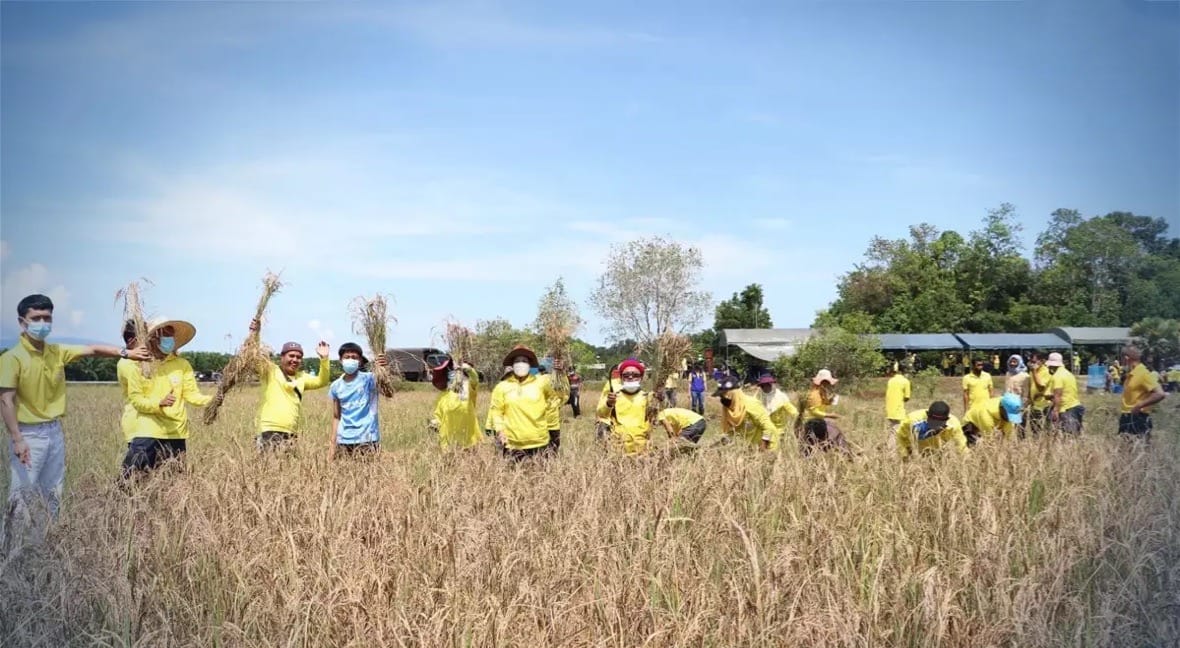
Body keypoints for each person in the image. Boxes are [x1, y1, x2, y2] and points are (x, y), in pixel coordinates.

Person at [1, 294, 150, 550]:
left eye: (47, 318)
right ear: (22, 322)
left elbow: (93, 349)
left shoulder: (57, 352)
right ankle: (8, 552)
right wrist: (17, 438)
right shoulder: (11, 358)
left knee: (52, 493)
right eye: (36, 318)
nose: (42, 323)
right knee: (21, 495)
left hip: (54, 431)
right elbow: (6, 400)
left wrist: (127, 353)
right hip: (28, 435)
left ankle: (41, 548)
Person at [121, 318, 211, 478]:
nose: (169, 339)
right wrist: (159, 403)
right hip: (148, 431)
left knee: (173, 484)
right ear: (153, 338)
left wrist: (214, 400)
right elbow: (137, 400)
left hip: (176, 432)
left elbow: (192, 395)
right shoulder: (139, 365)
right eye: (165, 335)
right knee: (131, 481)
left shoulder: (182, 365)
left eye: (171, 335)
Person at [245, 318, 331, 451]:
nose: (295, 360)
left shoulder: (302, 377)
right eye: (291, 356)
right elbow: (253, 356)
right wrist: (255, 333)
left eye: (298, 357)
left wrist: (324, 359)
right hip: (268, 430)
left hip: (291, 433)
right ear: (282, 357)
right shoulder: (269, 371)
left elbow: (322, 381)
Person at [489, 345, 565, 461]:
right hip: (512, 444)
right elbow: (496, 412)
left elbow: (560, 395)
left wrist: (560, 373)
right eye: (517, 361)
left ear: (530, 364)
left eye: (524, 361)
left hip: (539, 442)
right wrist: (500, 431)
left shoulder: (541, 383)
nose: (521, 364)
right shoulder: (502, 387)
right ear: (512, 364)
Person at [328, 343, 391, 460]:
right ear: (340, 360)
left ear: (360, 361)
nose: (350, 360)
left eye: (354, 357)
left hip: (368, 438)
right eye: (347, 357)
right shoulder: (336, 386)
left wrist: (383, 370)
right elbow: (336, 417)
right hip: (344, 440)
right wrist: (332, 446)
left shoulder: (370, 379)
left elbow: (388, 393)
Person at [596, 358, 654, 455]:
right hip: (619, 449)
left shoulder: (648, 397)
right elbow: (601, 414)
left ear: (641, 377)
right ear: (621, 378)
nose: (630, 377)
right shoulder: (614, 397)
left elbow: (656, 418)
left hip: (642, 449)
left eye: (635, 375)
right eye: (626, 375)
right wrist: (609, 404)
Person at [427, 356, 480, 450]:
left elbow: (475, 379)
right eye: (450, 373)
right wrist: (435, 423)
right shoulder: (443, 396)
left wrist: (468, 369)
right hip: (448, 442)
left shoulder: (468, 389)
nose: (453, 375)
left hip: (468, 440)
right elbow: (439, 415)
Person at [713, 376, 780, 450]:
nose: (722, 399)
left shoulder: (751, 405)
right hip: (751, 447)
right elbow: (732, 433)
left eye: (724, 396)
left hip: (767, 446)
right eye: (721, 397)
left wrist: (763, 448)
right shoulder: (730, 410)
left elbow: (769, 427)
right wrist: (714, 447)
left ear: (733, 394)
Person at [1118, 346, 1166, 440]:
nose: (1121, 362)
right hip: (1127, 416)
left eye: (1121, 358)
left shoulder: (1143, 373)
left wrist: (1139, 405)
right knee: (1125, 447)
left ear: (1126, 358)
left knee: (1138, 446)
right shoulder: (1131, 374)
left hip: (1138, 417)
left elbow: (1160, 394)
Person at [897, 401, 967, 459]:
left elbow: (961, 446)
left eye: (939, 423)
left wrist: (965, 460)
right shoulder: (913, 420)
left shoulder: (954, 425)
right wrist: (905, 456)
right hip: (917, 450)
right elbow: (901, 437)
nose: (935, 425)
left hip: (937, 452)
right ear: (927, 416)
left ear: (946, 420)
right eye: (933, 421)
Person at [800, 369, 842, 455]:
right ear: (822, 382)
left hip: (819, 420)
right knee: (813, 445)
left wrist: (830, 401)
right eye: (826, 383)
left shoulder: (821, 392)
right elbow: (814, 411)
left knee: (820, 444)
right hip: (813, 422)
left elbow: (823, 404)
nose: (828, 385)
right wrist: (829, 415)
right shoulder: (814, 394)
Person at [1046, 352, 1083, 435]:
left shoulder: (1057, 376)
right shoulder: (1068, 374)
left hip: (1066, 408)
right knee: (1074, 435)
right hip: (1075, 406)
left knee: (1068, 435)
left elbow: (1058, 395)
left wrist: (1055, 410)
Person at [757, 374, 799, 442]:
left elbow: (794, 413)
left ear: (771, 385)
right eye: (763, 386)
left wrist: (795, 426)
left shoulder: (781, 397)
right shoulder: (759, 397)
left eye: (767, 385)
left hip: (779, 431)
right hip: (764, 431)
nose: (765, 387)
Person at [1027, 351, 1053, 436]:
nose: (1032, 364)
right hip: (1034, 404)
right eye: (1031, 362)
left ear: (1042, 361)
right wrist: (1029, 398)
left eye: (1034, 362)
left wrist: (1034, 371)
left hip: (1045, 405)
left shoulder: (1046, 371)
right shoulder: (1032, 371)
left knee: (1047, 430)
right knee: (1035, 430)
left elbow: (1040, 387)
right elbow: (1031, 385)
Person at [884, 365, 912, 443]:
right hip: (898, 411)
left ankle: (891, 445)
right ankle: (892, 448)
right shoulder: (905, 381)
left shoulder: (891, 380)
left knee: (893, 429)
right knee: (897, 430)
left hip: (889, 410)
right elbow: (907, 397)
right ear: (904, 372)